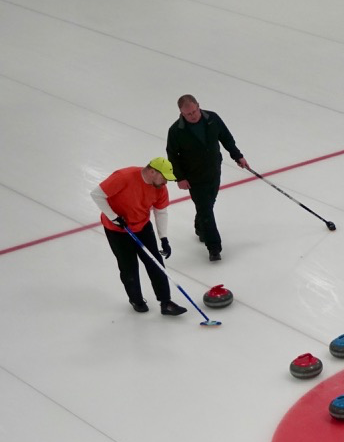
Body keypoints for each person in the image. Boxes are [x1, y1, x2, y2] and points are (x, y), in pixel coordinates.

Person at [91, 159, 187, 316]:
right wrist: (114, 217)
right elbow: (96, 194)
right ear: (152, 172)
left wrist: (164, 238)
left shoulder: (160, 188)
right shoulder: (124, 177)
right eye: (164, 178)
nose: (165, 183)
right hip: (118, 230)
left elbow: (161, 211)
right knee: (128, 267)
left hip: (142, 226)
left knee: (156, 262)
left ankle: (166, 302)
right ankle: (136, 300)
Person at [165, 94, 249, 262]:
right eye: (188, 114)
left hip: (213, 171)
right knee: (206, 209)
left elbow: (226, 138)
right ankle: (214, 247)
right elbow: (172, 156)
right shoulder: (176, 131)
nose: (193, 115)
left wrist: (237, 156)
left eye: (195, 111)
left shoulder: (212, 118)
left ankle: (200, 227)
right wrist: (179, 178)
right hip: (194, 177)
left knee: (207, 205)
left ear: (198, 106)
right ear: (181, 113)